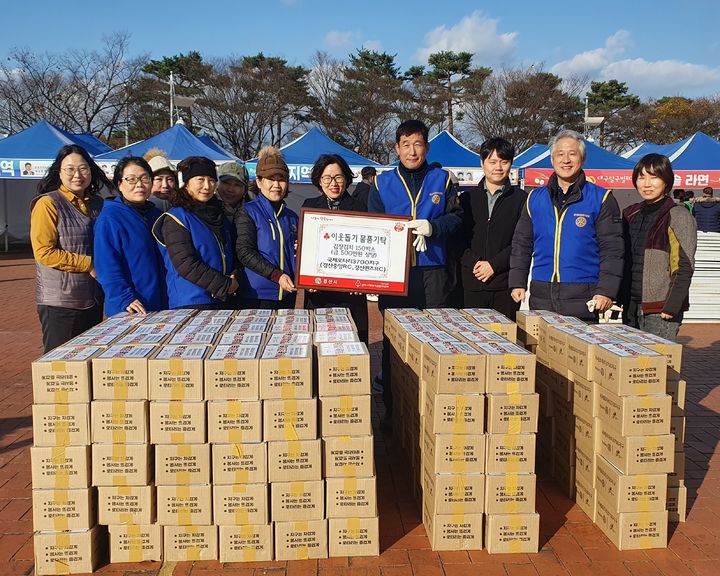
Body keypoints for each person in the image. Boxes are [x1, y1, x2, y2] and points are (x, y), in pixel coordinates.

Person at [368, 119, 462, 425]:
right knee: (394, 344)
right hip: (396, 276)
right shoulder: (381, 183)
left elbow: (457, 219)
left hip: (434, 273)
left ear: (427, 147)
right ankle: (394, 413)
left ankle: (434, 414)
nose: (412, 150)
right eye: (406, 144)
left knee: (434, 340)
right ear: (396, 148)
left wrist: (433, 226)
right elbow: (372, 227)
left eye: (418, 144)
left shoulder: (443, 179)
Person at [509, 129, 624, 320]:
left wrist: (606, 291)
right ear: (552, 159)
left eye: (572, 154)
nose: (566, 160)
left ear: (582, 159)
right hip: (542, 294)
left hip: (583, 297)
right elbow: (521, 244)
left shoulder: (601, 198)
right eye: (560, 154)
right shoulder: (534, 199)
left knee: (579, 350)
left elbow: (612, 250)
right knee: (543, 349)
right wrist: (517, 281)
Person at [30, 144, 111, 352]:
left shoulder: (97, 204)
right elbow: (44, 252)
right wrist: (89, 264)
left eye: (83, 168)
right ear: (59, 172)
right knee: (60, 363)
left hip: (92, 298)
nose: (77, 174)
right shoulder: (48, 204)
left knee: (86, 360)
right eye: (70, 169)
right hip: (60, 301)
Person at [620, 154, 696, 341]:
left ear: (666, 181)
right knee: (633, 367)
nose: (647, 184)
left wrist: (672, 305)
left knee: (658, 366)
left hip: (660, 309)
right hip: (631, 304)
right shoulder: (630, 213)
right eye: (641, 177)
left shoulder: (678, 215)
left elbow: (684, 265)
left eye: (654, 177)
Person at [153, 156, 237, 309]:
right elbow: (185, 263)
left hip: (222, 299)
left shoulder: (219, 214)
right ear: (186, 183)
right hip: (191, 301)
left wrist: (235, 277)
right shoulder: (176, 218)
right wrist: (224, 284)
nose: (207, 186)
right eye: (200, 180)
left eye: (211, 180)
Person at [303, 154, 369, 342]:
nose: (333, 183)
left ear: (347, 179)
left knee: (354, 345)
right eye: (327, 178)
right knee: (320, 346)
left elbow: (366, 253)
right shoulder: (309, 207)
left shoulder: (361, 208)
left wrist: (362, 281)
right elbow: (305, 250)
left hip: (352, 294)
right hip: (319, 294)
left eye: (338, 177)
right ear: (319, 180)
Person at [460, 137, 526, 320]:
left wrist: (494, 265)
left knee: (505, 340)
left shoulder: (521, 199)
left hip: (504, 284)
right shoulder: (466, 199)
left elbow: (522, 241)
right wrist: (475, 262)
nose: (498, 167)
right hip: (471, 283)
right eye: (492, 161)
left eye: (504, 162)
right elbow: (456, 240)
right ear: (482, 163)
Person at [94, 157, 167, 316]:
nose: (139, 184)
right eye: (131, 179)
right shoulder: (110, 218)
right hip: (131, 307)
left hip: (162, 303)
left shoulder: (157, 215)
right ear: (119, 184)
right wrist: (124, 297)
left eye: (144, 178)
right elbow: (106, 265)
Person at [234, 146, 298, 310]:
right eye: (271, 179)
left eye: (281, 179)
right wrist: (276, 275)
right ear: (259, 181)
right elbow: (244, 252)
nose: (276, 185)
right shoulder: (248, 212)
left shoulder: (292, 216)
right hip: (256, 296)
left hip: (287, 294)